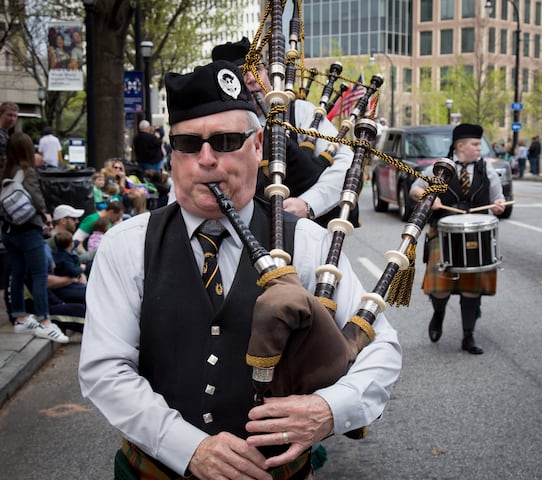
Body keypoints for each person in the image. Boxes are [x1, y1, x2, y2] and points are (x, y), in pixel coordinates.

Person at [79, 60, 401, 480]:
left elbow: (380, 345)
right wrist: (188, 447)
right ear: (171, 155)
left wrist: (330, 408)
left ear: (259, 145)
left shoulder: (306, 241)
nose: (207, 160)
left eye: (227, 140)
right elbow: (105, 369)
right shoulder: (126, 246)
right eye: (189, 144)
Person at [211, 37, 354, 227]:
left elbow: (347, 163)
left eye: (258, 69)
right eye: (242, 73)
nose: (253, 78)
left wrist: (308, 204)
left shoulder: (299, 112)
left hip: (307, 235)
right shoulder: (216, 130)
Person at [409, 123, 505, 355]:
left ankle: (468, 336)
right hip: (442, 233)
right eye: (474, 144)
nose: (478, 148)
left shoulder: (486, 170)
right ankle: (439, 314)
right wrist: (429, 199)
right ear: (460, 146)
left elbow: (498, 198)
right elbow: (414, 189)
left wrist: (500, 205)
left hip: (476, 236)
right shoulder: (440, 168)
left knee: (471, 288)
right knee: (440, 289)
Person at [0, 132, 68, 343]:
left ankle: (20, 316)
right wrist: (46, 217)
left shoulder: (6, 172)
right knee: (40, 275)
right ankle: (45, 321)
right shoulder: (28, 172)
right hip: (29, 231)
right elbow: (37, 200)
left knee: (18, 273)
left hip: (9, 231)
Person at [0, 102, 19, 166]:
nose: (12, 119)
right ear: (1, 114)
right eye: (9, 115)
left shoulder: (6, 133)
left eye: (15, 116)